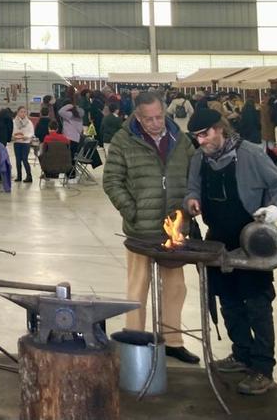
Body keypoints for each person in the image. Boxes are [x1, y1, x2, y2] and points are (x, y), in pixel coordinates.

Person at [184, 109, 277, 395]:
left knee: (256, 303)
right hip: (218, 240)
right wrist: (191, 201)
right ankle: (241, 353)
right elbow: (192, 188)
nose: (200, 141)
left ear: (219, 128)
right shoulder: (199, 159)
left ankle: (262, 368)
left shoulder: (251, 154)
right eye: (196, 137)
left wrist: (275, 208)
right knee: (228, 299)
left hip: (251, 239)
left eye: (204, 135)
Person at [102, 91, 200, 365]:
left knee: (176, 286)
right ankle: (134, 340)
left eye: (159, 117)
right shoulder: (124, 141)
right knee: (137, 286)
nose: (155, 123)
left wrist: (192, 202)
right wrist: (131, 211)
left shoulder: (180, 139)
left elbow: (195, 173)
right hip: (140, 229)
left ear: (165, 112)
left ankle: (173, 341)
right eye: (149, 119)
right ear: (137, 116)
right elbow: (112, 181)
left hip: (175, 228)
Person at [58, 96, 85, 172]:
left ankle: (70, 174)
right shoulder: (79, 115)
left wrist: (69, 105)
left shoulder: (69, 115)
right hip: (76, 138)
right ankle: (73, 174)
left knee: (68, 157)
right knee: (73, 156)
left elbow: (60, 112)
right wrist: (74, 106)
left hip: (68, 138)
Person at [11, 106, 34, 183]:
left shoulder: (29, 122)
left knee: (24, 159)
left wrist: (27, 137)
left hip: (25, 143)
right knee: (18, 160)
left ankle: (29, 176)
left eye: (24, 112)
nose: (23, 113)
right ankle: (19, 176)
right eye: (21, 111)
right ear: (18, 112)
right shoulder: (14, 122)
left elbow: (32, 132)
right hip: (17, 142)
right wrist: (13, 136)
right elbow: (12, 130)